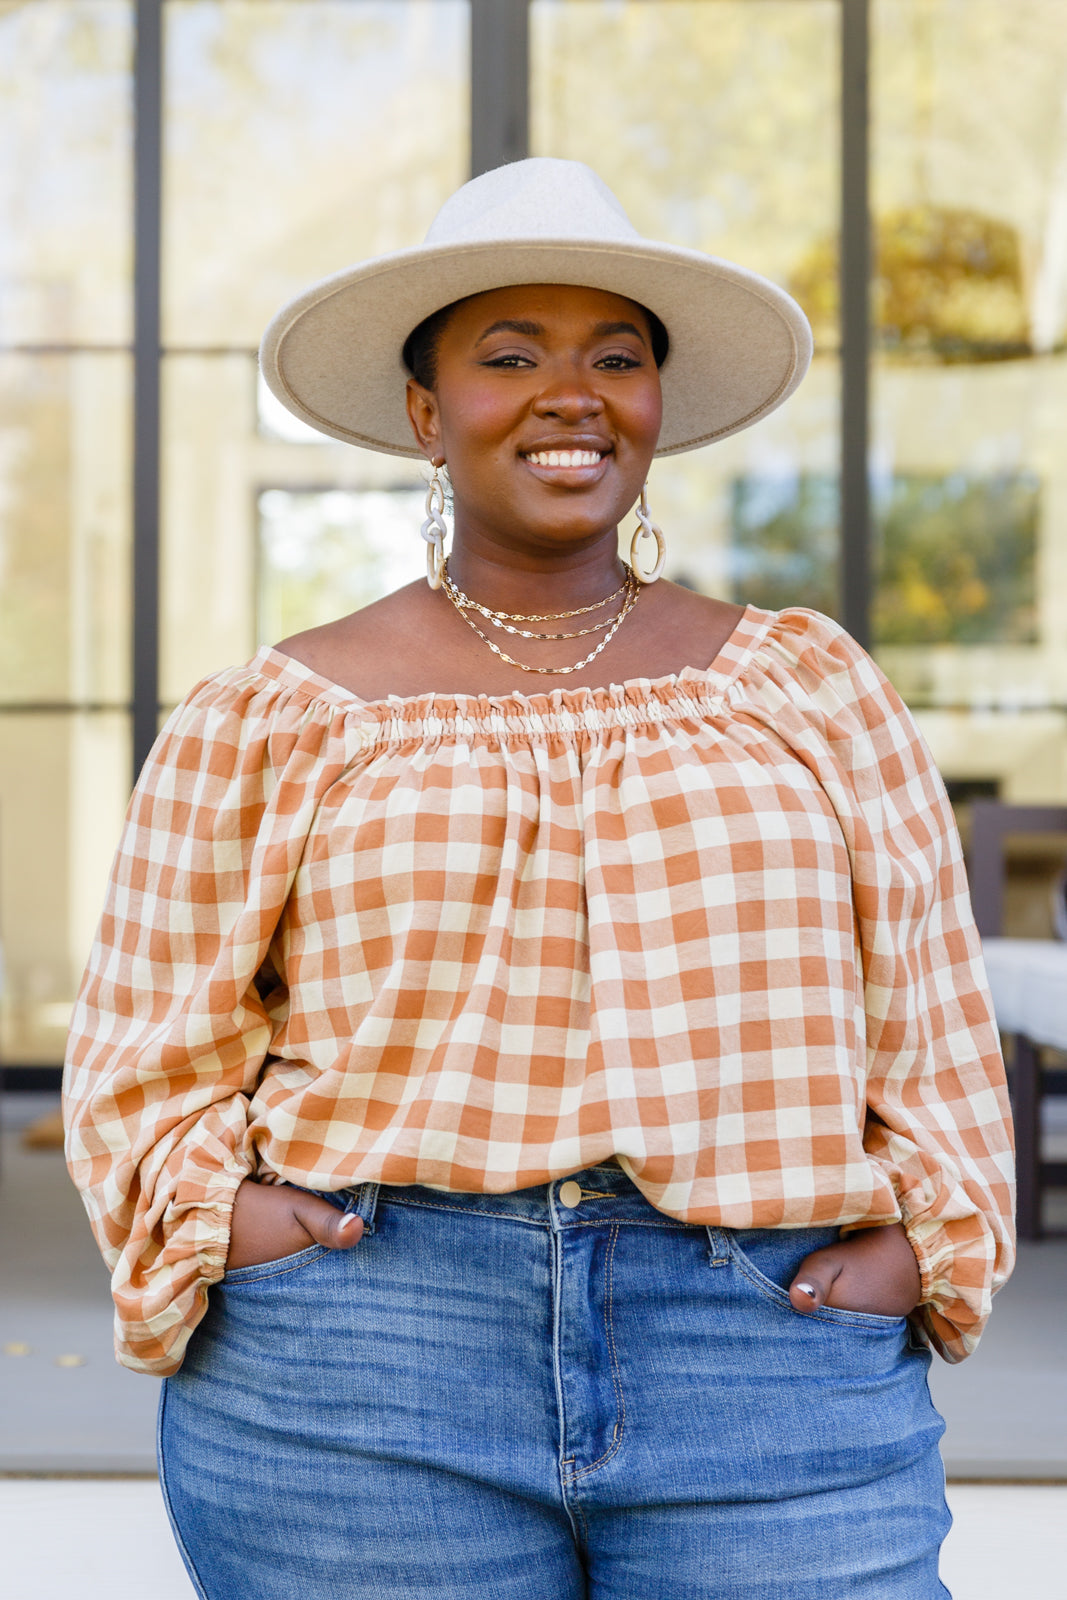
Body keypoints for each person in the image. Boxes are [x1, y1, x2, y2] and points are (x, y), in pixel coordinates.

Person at [64, 159, 1014, 1600]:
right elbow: (146, 1047)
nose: (572, 396)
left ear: (655, 405)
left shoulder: (808, 688)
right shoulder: (277, 714)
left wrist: (920, 1245)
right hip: (362, 1362)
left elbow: (931, 1016)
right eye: (510, 358)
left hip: (765, 1350)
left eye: (615, 360)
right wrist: (240, 1229)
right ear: (426, 414)